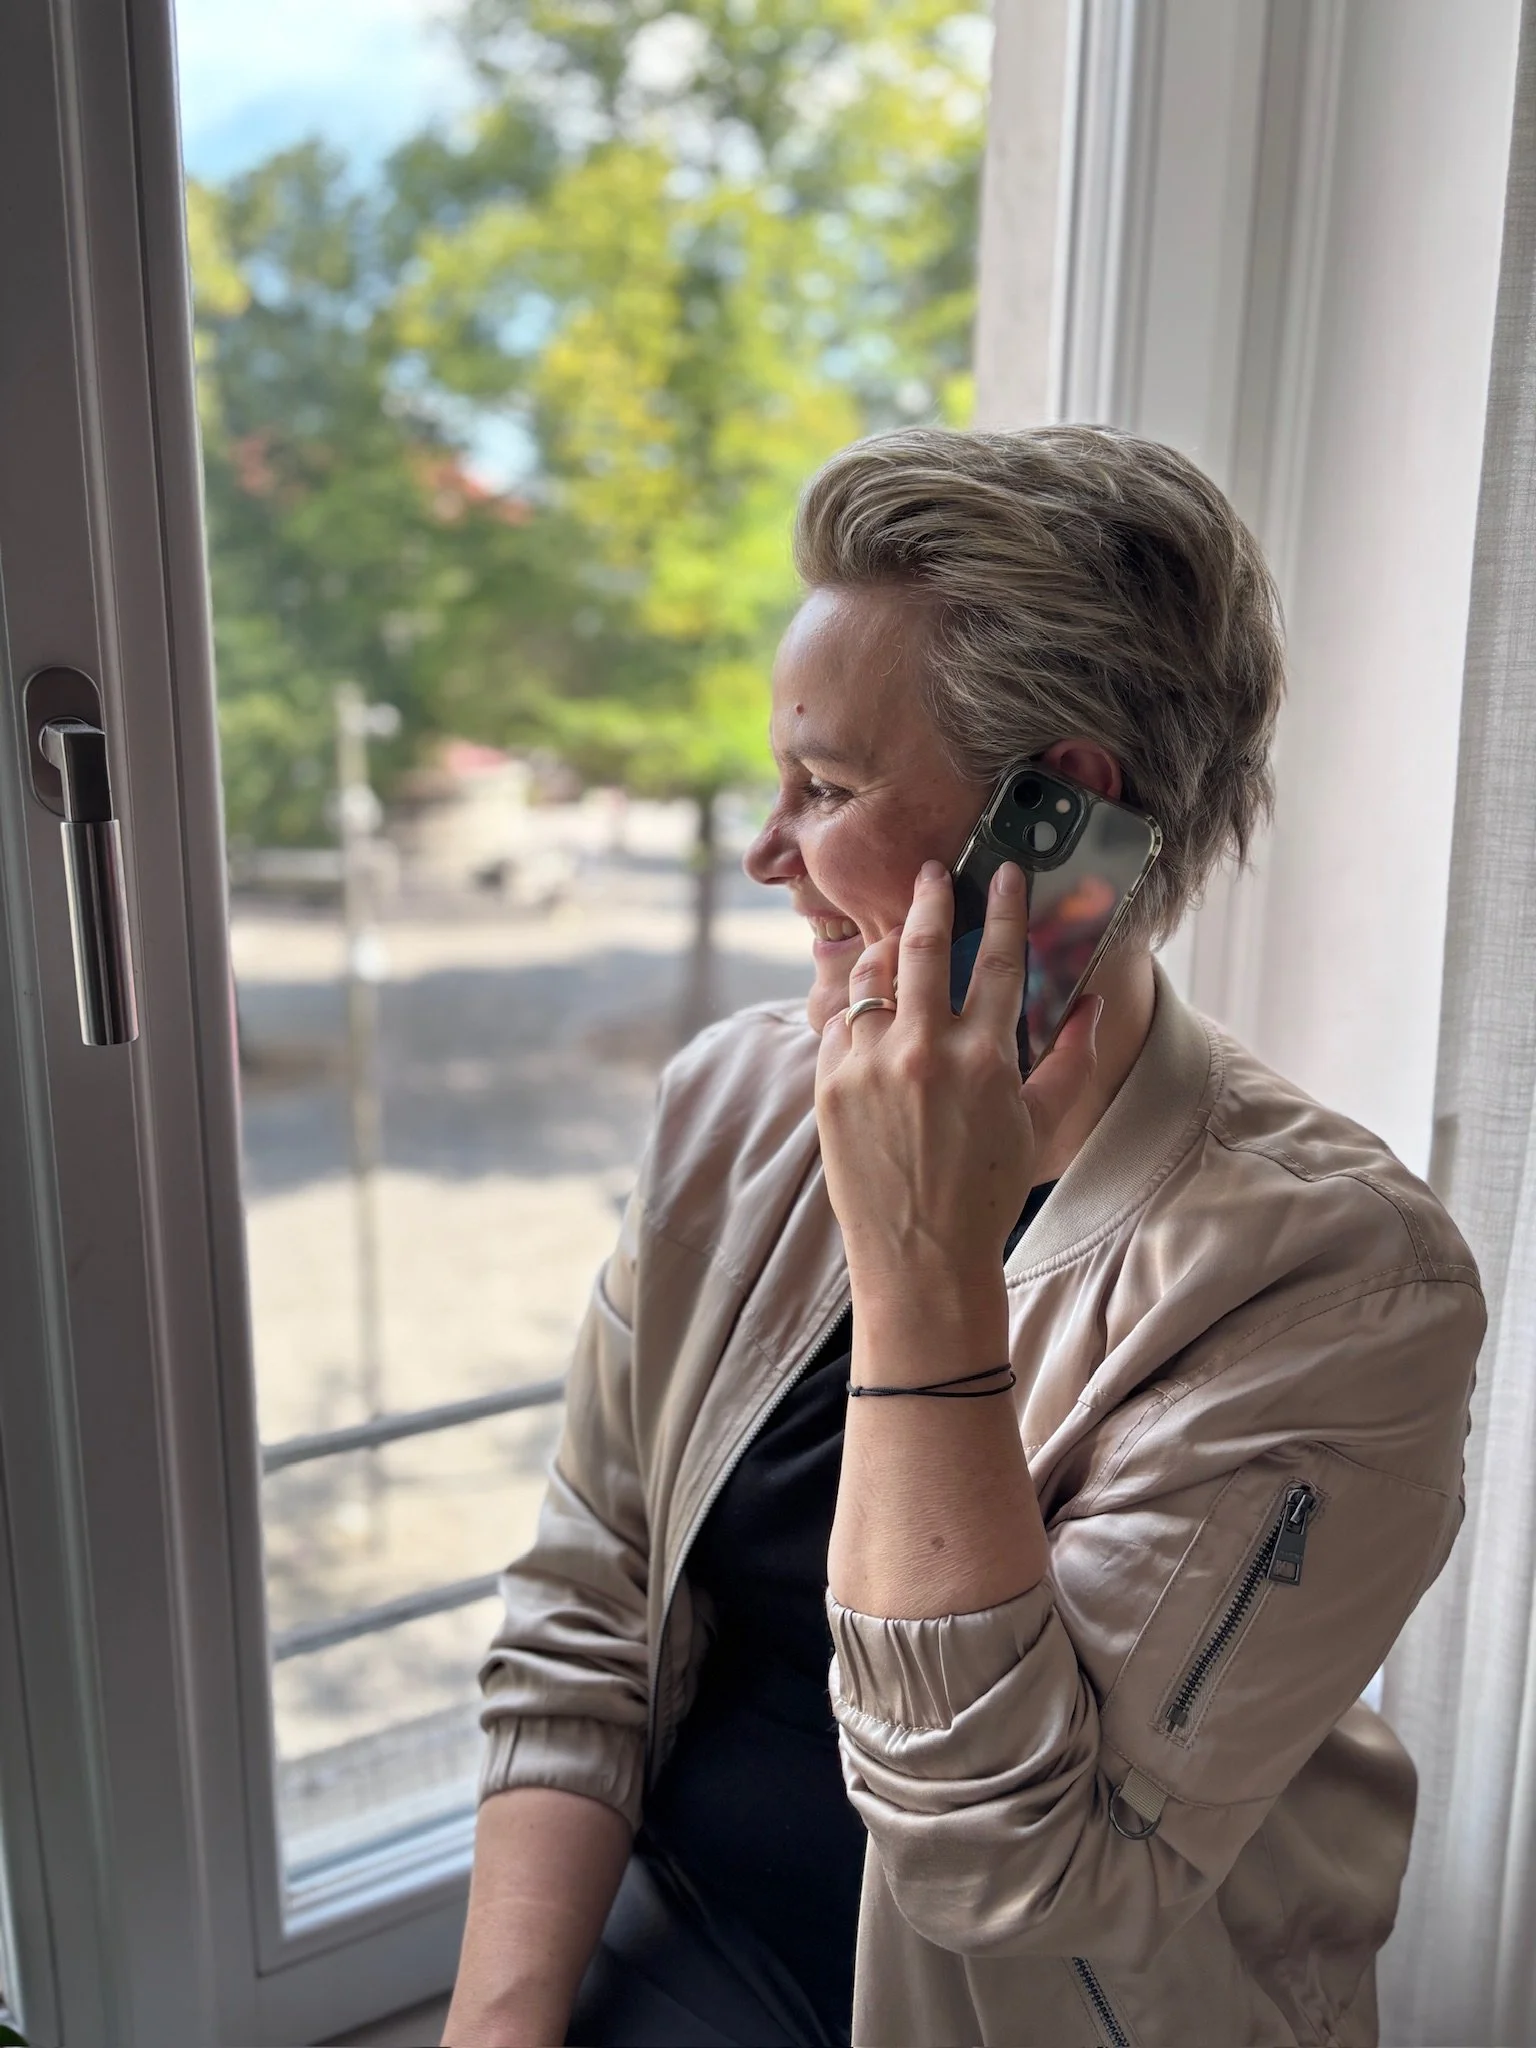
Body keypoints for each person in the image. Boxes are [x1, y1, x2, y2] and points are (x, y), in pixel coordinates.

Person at [443, 426, 1484, 2048]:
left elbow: (1019, 1873)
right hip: (671, 1937)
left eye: (826, 787)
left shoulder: (1341, 1287)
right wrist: (498, 2027)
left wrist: (926, 1278)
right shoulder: (734, 1104)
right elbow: (589, 1612)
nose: (764, 851)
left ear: (1056, 819)